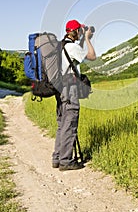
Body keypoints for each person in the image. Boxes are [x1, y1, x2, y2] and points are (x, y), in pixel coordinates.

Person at [52, 19, 96, 171]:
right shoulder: (71, 47)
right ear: (76, 31)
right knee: (70, 123)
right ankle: (66, 161)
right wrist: (88, 39)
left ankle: (57, 158)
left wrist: (82, 38)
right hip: (69, 88)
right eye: (80, 31)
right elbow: (91, 56)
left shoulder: (61, 46)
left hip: (59, 89)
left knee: (62, 123)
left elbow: (76, 56)